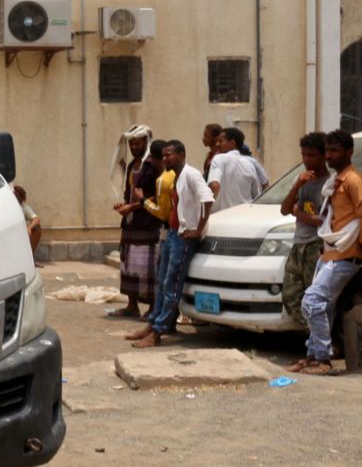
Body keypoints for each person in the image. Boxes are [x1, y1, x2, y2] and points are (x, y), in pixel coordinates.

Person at [291, 130, 362, 376]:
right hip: (329, 253)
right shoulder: (336, 181)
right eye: (327, 151)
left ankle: (324, 359)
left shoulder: (353, 180)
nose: (329, 156)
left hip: (344, 255)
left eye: (334, 151)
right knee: (322, 307)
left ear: (349, 153)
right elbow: (331, 219)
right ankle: (312, 356)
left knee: (312, 301)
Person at [129, 140, 213, 348]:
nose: (165, 159)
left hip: (184, 237)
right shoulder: (176, 176)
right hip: (172, 234)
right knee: (162, 281)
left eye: (170, 155)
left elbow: (207, 199)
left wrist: (198, 229)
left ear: (181, 155)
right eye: (164, 155)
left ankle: (158, 332)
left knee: (171, 284)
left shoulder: (191, 174)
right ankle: (153, 325)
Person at [109, 126, 161, 320]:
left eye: (137, 143)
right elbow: (130, 192)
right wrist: (124, 205)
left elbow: (156, 197)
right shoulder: (132, 166)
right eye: (131, 143)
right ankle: (132, 306)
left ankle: (152, 307)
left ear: (146, 142)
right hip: (131, 224)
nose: (133, 147)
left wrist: (132, 207)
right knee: (128, 265)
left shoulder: (153, 166)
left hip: (149, 223)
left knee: (148, 268)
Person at [279, 132, 330, 325]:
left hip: (317, 245)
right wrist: (297, 186)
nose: (307, 160)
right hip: (299, 244)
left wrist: (298, 213)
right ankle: (314, 337)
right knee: (290, 295)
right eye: (304, 155)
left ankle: (321, 342)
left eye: (312, 155)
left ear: (324, 156)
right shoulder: (300, 180)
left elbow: (322, 221)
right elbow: (284, 209)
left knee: (314, 298)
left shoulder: (329, 184)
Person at [207, 127, 263, 213]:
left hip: (221, 218)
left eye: (221, 141)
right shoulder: (249, 165)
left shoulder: (219, 159)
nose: (217, 144)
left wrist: (206, 208)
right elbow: (256, 196)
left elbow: (214, 185)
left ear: (232, 143)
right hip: (244, 218)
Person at [14, 185, 42, 261]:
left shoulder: (23, 207)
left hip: (20, 234)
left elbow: (36, 219)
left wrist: (29, 227)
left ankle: (29, 258)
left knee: (37, 228)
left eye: (17, 196)